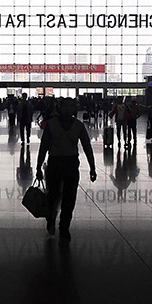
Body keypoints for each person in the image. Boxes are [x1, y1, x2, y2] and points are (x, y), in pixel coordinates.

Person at [36, 98, 97, 242]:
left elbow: (87, 147)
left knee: (69, 198)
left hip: (71, 164)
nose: (68, 109)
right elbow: (43, 147)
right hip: (55, 163)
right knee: (53, 196)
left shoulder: (78, 126)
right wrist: (38, 167)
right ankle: (50, 219)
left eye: (71, 106)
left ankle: (64, 227)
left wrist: (92, 167)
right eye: (66, 106)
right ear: (60, 108)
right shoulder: (51, 125)